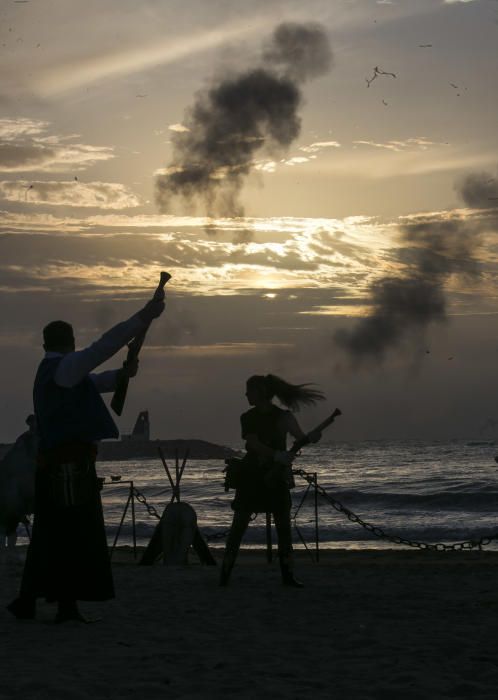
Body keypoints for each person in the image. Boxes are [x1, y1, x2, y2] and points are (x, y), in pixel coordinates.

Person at [7, 295, 164, 623]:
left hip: (57, 466)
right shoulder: (64, 368)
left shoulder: (58, 371)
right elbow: (103, 347)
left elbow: (96, 382)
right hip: (67, 467)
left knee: (53, 537)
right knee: (69, 536)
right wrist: (143, 316)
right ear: (71, 342)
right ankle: (62, 605)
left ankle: (32, 601)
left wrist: (123, 374)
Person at [220, 374, 324, 588]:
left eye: (249, 390)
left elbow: (299, 437)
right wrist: (277, 455)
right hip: (252, 476)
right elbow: (254, 444)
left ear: (260, 392)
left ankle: (288, 575)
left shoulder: (284, 417)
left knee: (283, 528)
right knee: (238, 525)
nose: (246, 394)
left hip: (276, 476)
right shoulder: (247, 417)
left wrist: (312, 437)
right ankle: (225, 574)